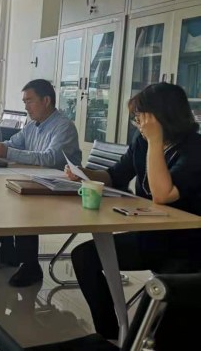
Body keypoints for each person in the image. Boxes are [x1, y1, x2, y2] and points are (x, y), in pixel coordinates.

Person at [69, 83, 201, 347]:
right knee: (84, 256)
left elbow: (163, 194)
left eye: (141, 117)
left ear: (161, 116)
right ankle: (109, 334)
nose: (138, 124)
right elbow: (115, 175)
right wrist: (84, 174)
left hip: (186, 247)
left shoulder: (194, 147)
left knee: (166, 328)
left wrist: (154, 141)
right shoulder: (142, 142)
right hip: (151, 236)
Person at [0, 79, 82, 288]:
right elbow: (12, 144)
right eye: (24, 102)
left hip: (62, 188)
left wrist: (7, 152)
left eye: (29, 101)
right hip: (37, 183)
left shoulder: (64, 126)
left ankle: (31, 265)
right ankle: (7, 250)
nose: (26, 107)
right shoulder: (32, 126)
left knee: (21, 203)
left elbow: (50, 158)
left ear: (46, 100)